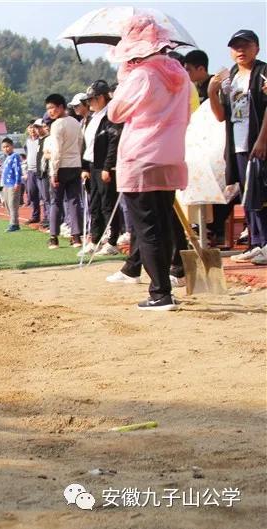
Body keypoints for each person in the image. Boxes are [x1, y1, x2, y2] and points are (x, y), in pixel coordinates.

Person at [107, 14, 191, 311]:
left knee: (147, 226)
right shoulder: (180, 74)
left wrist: (124, 80)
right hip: (169, 155)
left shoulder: (142, 75)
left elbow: (114, 113)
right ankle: (165, 285)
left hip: (141, 155)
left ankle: (160, 293)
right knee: (163, 221)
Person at [209, 29, 267, 265]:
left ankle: (264, 242)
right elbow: (222, 115)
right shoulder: (230, 77)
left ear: (257, 48)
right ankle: (255, 242)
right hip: (238, 144)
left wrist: (262, 139)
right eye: (236, 46)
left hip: (257, 141)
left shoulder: (263, 73)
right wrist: (212, 91)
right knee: (247, 194)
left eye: (246, 45)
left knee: (261, 193)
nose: (240, 50)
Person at [78, 80, 123, 257]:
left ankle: (112, 240)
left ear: (104, 97)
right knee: (94, 204)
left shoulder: (111, 116)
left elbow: (113, 143)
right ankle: (95, 239)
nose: (90, 103)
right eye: (88, 100)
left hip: (105, 166)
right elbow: (85, 144)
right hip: (91, 164)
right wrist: (84, 167)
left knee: (108, 204)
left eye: (93, 99)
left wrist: (108, 166)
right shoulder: (91, 118)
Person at [45, 93, 84, 249]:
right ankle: (76, 238)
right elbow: (81, 143)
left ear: (61, 107)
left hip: (60, 167)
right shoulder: (76, 122)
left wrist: (54, 172)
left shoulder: (57, 125)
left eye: (52, 108)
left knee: (56, 202)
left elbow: (56, 151)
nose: (50, 112)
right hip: (75, 165)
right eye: (48, 109)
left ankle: (53, 237)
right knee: (74, 201)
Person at [0, 138, 23, 231]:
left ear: (12, 146)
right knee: (7, 204)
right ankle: (14, 223)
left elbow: (18, 170)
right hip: (6, 184)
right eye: (4, 147)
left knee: (12, 203)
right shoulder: (6, 158)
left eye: (7, 146)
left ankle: (13, 223)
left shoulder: (15, 156)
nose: (6, 149)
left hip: (13, 183)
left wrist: (17, 182)